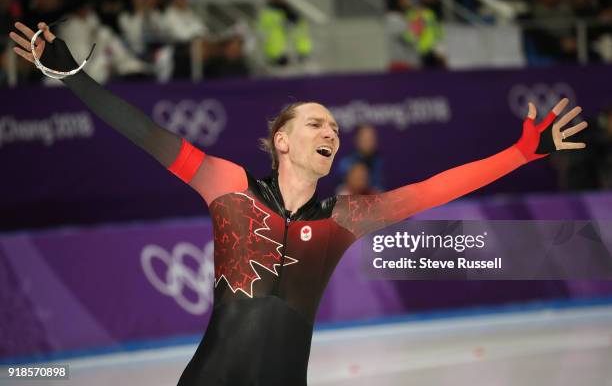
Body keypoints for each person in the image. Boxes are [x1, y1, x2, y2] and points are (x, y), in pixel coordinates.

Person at [10, 21, 588, 386]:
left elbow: (432, 190)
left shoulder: (343, 219)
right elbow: (143, 132)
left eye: (334, 127)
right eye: (317, 122)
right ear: (282, 141)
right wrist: (72, 76)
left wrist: (519, 153)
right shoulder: (228, 186)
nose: (331, 132)